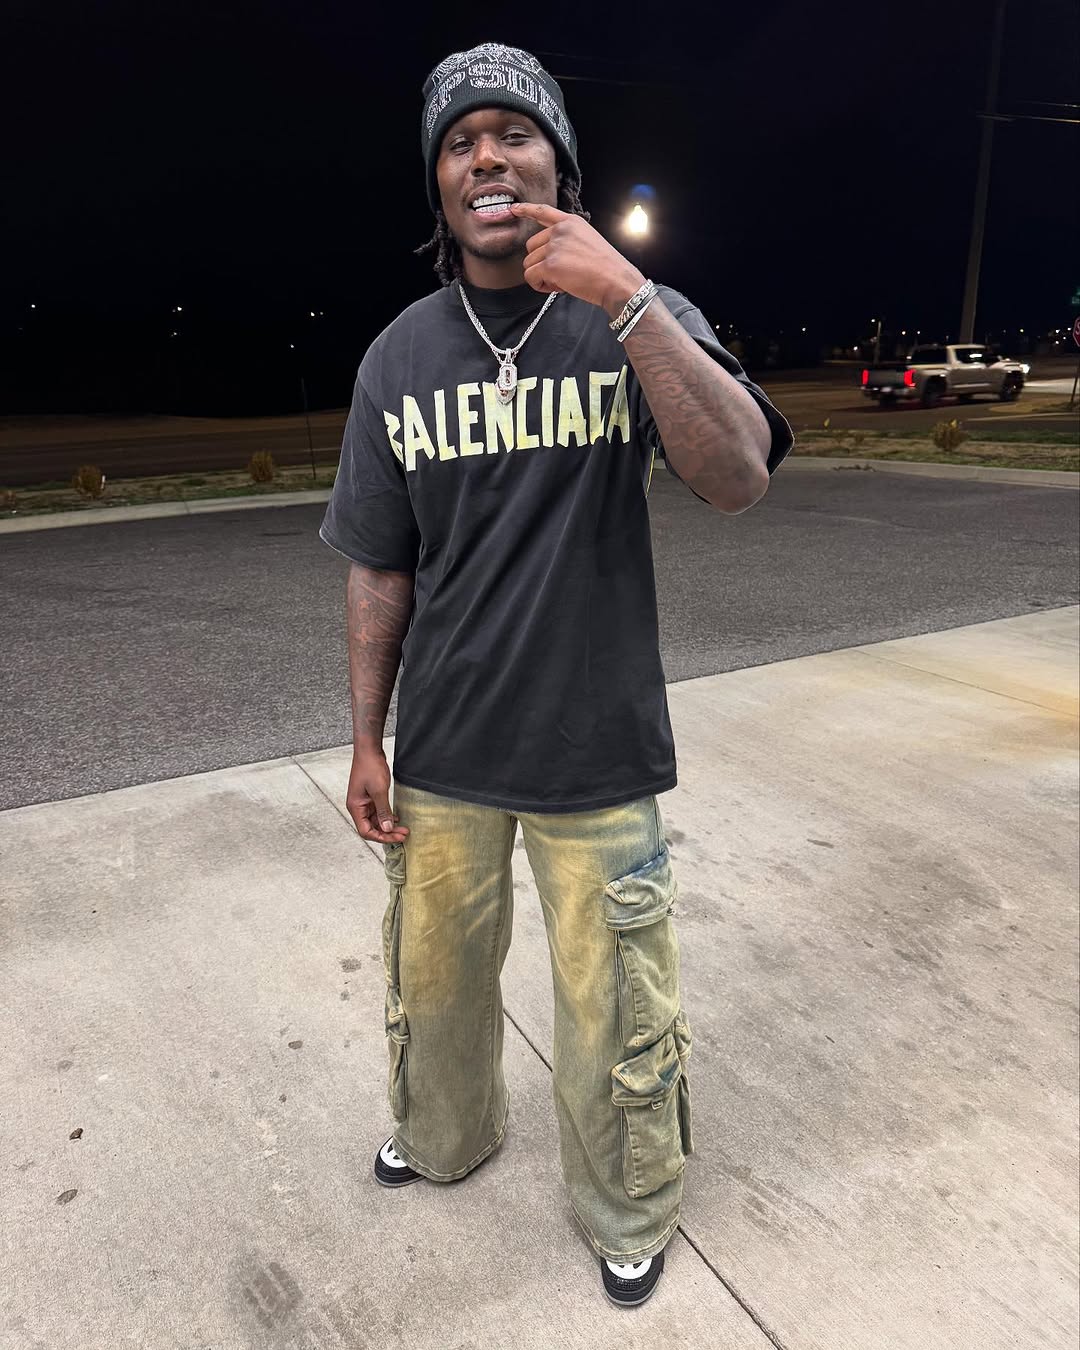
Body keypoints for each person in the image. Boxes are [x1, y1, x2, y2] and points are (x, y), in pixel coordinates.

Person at [319, 42, 792, 1309]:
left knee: (615, 1006)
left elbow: (738, 476)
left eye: (514, 134)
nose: (487, 157)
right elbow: (378, 568)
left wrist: (626, 297)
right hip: (446, 754)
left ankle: (627, 1205)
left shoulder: (634, 312)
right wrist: (366, 737)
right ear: (439, 184)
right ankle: (443, 1138)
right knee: (433, 989)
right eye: (459, 142)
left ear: (559, 166)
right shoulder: (396, 358)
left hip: (598, 752)